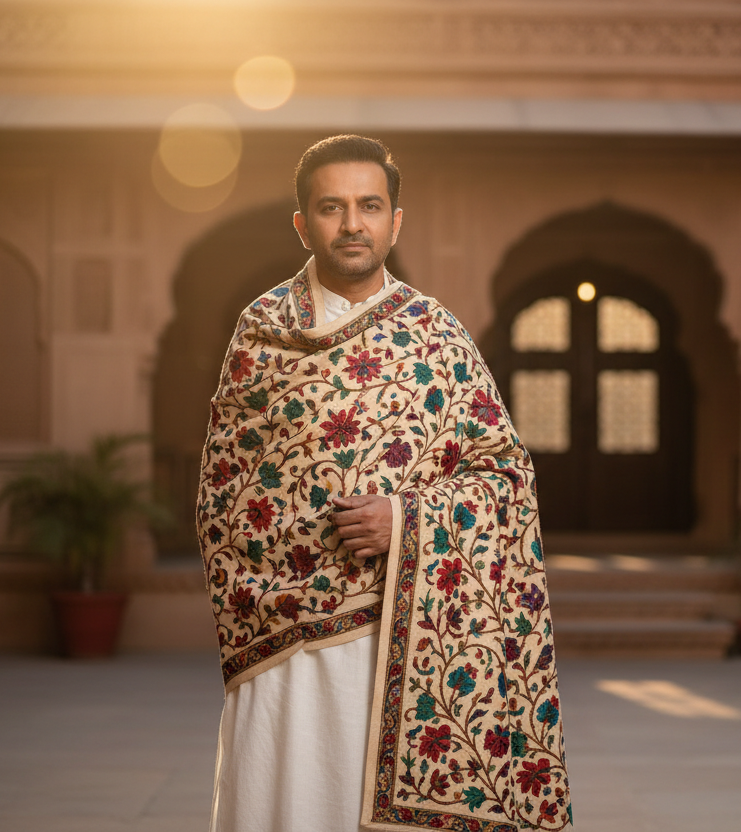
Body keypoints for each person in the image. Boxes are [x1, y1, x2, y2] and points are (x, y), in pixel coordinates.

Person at [199, 135, 571, 832]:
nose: (352, 223)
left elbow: (505, 477)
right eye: (331, 207)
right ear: (302, 224)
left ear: (395, 222)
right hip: (287, 645)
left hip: (414, 632)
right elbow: (226, 493)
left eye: (369, 206)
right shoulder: (263, 332)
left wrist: (406, 521)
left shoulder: (437, 336)